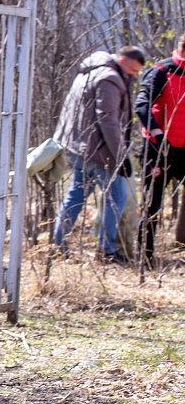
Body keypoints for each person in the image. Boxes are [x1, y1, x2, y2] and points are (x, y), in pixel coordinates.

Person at [53, 46, 146, 264]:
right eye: (133, 70)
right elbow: (108, 121)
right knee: (117, 197)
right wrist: (121, 157)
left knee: (76, 195)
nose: (135, 75)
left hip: (79, 146)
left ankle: (57, 244)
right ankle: (107, 250)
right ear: (122, 61)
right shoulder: (110, 79)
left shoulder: (91, 70)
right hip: (98, 150)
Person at [134, 32, 185, 268]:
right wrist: (157, 134)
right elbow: (142, 105)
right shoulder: (161, 71)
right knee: (152, 204)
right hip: (159, 148)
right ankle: (145, 257)